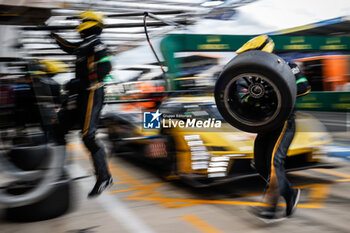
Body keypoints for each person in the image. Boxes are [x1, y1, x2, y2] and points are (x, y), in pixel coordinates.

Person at [235, 35, 311, 220]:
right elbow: (248, 101)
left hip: (284, 121)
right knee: (261, 165)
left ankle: (271, 207)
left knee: (274, 163)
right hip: (265, 123)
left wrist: (280, 86)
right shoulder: (253, 77)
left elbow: (304, 88)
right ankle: (290, 194)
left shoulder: (288, 65)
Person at [50, 11, 113, 198]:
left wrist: (85, 83)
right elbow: (69, 47)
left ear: (89, 24)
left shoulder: (97, 43)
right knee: (58, 128)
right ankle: (57, 170)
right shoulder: (85, 45)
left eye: (82, 22)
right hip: (80, 94)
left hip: (92, 92)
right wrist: (53, 35)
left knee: (88, 136)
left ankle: (104, 177)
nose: (79, 26)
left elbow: (106, 66)